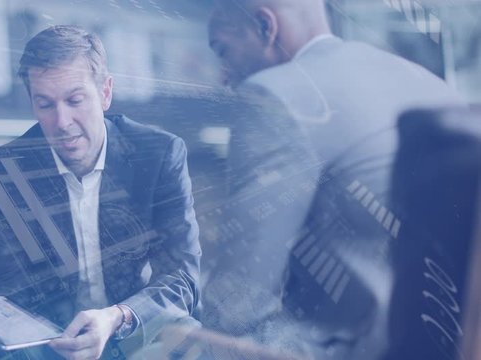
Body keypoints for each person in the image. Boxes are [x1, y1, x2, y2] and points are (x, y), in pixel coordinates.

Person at [194, 0, 465, 359]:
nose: (223, 76)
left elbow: (238, 302)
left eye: (224, 51)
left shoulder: (274, 95)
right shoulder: (428, 82)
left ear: (265, 27)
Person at [0, 25, 201, 360]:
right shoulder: (8, 167)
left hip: (133, 329)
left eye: (75, 100)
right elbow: (9, 279)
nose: (62, 121)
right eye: (45, 104)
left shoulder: (159, 154)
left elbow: (182, 278)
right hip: (51, 340)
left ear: (105, 93)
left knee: (186, 334)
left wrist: (116, 317)